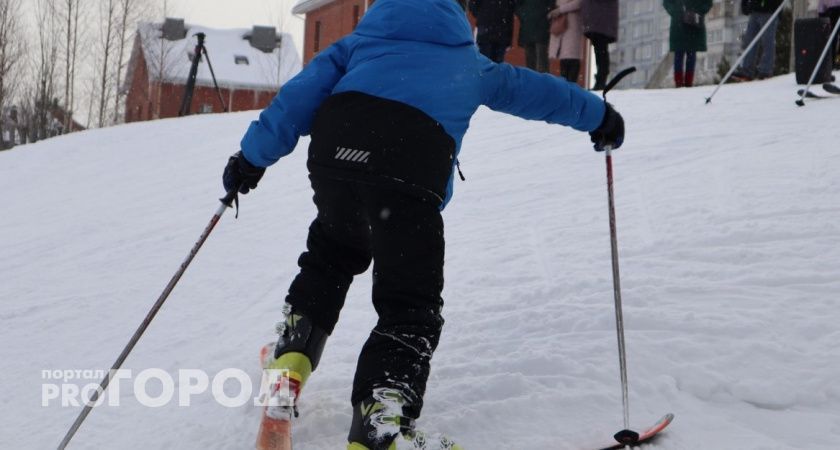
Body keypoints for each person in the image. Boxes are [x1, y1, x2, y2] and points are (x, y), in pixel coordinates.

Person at [222, 0, 624, 448]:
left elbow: (297, 97)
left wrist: (251, 159)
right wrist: (599, 116)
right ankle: (381, 422)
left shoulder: (357, 44)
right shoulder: (466, 61)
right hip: (408, 169)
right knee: (408, 305)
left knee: (332, 253)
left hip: (336, 157)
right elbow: (537, 92)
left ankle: (292, 352)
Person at [664, 0, 712, 87]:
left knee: (690, 54)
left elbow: (708, 3)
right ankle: (679, 83)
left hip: (693, 24)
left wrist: (699, 11)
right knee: (679, 54)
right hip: (679, 25)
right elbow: (666, 2)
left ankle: (688, 83)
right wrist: (675, 12)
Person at [732, 0, 784, 81]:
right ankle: (747, 70)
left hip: (769, 11)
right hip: (755, 10)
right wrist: (744, 5)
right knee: (750, 42)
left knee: (767, 42)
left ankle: (766, 70)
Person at [581, 0, 618, 90]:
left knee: (601, 52)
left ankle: (601, 81)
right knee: (599, 52)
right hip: (597, 22)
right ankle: (600, 81)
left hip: (601, 22)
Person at [548, 0, 584, 83]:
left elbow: (579, 3)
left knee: (571, 59)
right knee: (565, 61)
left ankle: (570, 87)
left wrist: (560, 10)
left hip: (572, 26)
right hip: (562, 27)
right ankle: (566, 87)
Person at [515, 0, 555, 72]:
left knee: (538, 59)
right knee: (537, 60)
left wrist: (524, 14)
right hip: (532, 26)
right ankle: (539, 80)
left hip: (534, 26)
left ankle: (537, 80)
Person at [819, 0, 840, 69]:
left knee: (832, 39)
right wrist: (821, 13)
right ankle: (833, 62)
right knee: (832, 39)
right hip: (831, 12)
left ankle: (835, 61)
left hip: (831, 11)